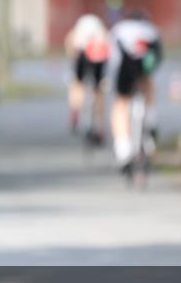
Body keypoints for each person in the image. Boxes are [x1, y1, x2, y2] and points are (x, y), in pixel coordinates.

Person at [107, 10, 163, 172]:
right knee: (148, 83)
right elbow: (159, 56)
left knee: (121, 103)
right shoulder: (151, 29)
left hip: (125, 63)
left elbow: (113, 58)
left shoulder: (120, 28)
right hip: (146, 62)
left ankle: (123, 148)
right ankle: (151, 118)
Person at [64, 13, 110, 143]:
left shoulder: (79, 26)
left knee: (77, 84)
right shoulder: (99, 26)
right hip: (98, 52)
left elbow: (70, 42)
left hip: (82, 51)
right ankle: (100, 127)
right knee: (99, 89)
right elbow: (107, 43)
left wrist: (73, 57)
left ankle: (75, 112)